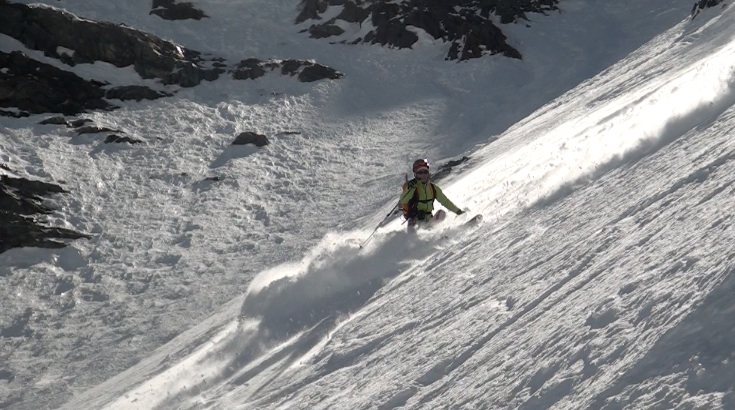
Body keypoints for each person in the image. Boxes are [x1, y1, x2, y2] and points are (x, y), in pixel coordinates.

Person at [399, 158, 463, 227]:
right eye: (420, 173)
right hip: (415, 221)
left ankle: (433, 234)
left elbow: (445, 201)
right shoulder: (412, 187)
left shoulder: (433, 188)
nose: (423, 175)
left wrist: (458, 211)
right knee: (412, 222)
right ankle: (414, 236)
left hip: (429, 220)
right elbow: (403, 200)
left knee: (441, 213)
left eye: (425, 172)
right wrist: (412, 187)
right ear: (416, 175)